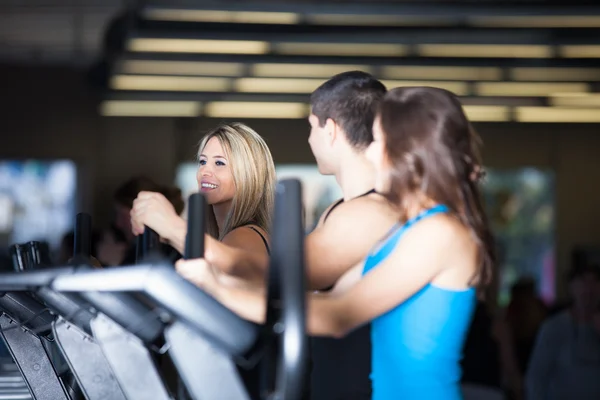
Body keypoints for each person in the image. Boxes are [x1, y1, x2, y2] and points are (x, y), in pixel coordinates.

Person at [177, 86, 496, 400]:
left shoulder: (440, 232)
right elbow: (324, 307)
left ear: (409, 150)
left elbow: (338, 316)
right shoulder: (410, 230)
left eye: (379, 141)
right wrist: (218, 286)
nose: (369, 152)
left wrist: (218, 287)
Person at [180, 71, 396, 399]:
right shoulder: (338, 210)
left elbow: (283, 280)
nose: (309, 140)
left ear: (331, 130)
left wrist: (174, 231)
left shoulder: (367, 213)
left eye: (311, 128)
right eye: (204, 161)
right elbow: (301, 299)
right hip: (332, 381)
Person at [129, 122, 276, 287]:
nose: (204, 171)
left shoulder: (245, 236)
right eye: (202, 161)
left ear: (248, 174)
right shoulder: (227, 235)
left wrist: (171, 226)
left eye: (219, 163)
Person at [525, 263, 600, 400]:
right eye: (583, 282)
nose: (589, 289)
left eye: (595, 282)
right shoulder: (554, 328)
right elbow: (536, 378)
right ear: (571, 287)